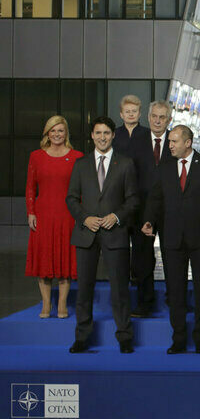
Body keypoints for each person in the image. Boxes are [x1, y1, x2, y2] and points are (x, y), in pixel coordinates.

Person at [141, 125, 200, 354]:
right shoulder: (164, 167)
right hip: (172, 238)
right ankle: (178, 339)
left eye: (174, 141)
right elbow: (155, 198)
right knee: (175, 291)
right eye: (169, 141)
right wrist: (149, 220)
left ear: (188, 143)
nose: (169, 145)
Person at [66, 116, 139, 354]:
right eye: (98, 133)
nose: (102, 137)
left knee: (119, 289)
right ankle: (82, 338)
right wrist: (84, 218)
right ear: (92, 136)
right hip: (86, 232)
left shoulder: (125, 163)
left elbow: (133, 200)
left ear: (113, 135)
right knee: (84, 289)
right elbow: (71, 198)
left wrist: (116, 216)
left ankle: (125, 337)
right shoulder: (81, 164)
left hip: (115, 232)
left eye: (106, 133)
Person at [26, 115, 83, 319]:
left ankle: (62, 304)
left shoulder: (77, 156)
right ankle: (46, 304)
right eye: (53, 130)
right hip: (43, 215)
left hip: (68, 215)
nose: (57, 134)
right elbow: (30, 187)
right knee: (44, 261)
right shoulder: (36, 156)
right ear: (47, 133)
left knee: (65, 261)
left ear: (66, 133)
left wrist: (81, 215)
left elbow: (81, 189)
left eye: (60, 130)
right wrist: (31, 212)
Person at [128, 100, 175, 317]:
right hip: (141, 209)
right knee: (143, 257)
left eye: (162, 117)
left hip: (170, 209)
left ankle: (175, 300)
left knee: (172, 256)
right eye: (154, 116)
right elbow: (129, 176)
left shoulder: (176, 140)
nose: (157, 121)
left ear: (169, 120)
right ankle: (145, 303)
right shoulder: (136, 142)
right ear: (148, 118)